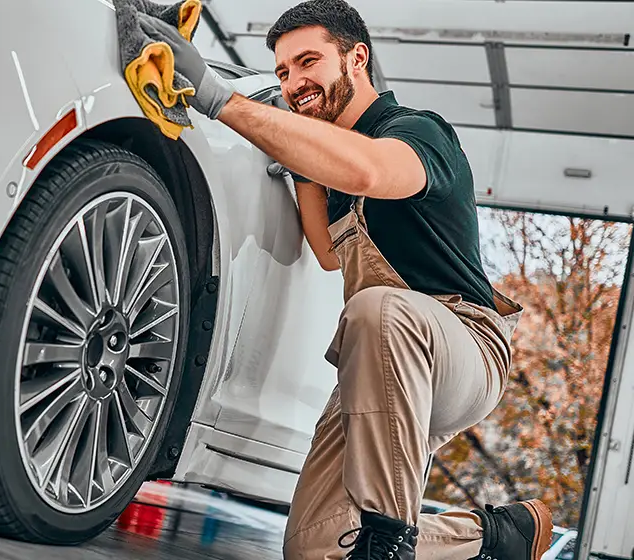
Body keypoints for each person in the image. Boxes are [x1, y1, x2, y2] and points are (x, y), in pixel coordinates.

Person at [135, 1, 556, 559]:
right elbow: (330, 252)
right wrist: (295, 151)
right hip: (381, 364)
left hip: (463, 346)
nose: (293, 82)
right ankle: (492, 539)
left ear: (356, 58)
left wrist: (220, 99)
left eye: (309, 62)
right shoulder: (331, 156)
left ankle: (387, 542)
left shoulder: (416, 132)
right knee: (314, 548)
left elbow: (371, 171)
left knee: (378, 308)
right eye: (283, 72)